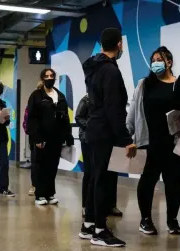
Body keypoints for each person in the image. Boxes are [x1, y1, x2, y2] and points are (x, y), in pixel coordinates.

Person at [78, 28, 135, 247]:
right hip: (105, 132)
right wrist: (126, 139)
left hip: (94, 130)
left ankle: (89, 224)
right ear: (119, 45)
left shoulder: (94, 67)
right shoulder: (110, 71)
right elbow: (114, 108)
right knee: (103, 181)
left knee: (95, 178)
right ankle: (100, 231)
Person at [126, 46, 180, 236]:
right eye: (153, 60)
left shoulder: (178, 84)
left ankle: (172, 220)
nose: (155, 63)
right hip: (148, 142)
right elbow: (133, 110)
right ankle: (145, 219)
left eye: (159, 59)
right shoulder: (144, 84)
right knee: (147, 181)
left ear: (169, 62)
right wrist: (126, 134)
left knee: (172, 183)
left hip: (173, 142)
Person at [27, 69, 74, 205]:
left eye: (52, 76)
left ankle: (50, 193)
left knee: (53, 166)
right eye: (46, 76)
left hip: (56, 137)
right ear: (42, 78)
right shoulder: (36, 95)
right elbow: (32, 118)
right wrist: (36, 138)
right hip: (42, 137)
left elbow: (65, 117)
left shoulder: (60, 96)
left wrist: (68, 135)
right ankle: (40, 194)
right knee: (41, 166)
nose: (49, 78)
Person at [75, 94, 123, 218]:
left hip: (110, 140)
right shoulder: (86, 99)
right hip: (89, 140)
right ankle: (86, 206)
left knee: (112, 173)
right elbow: (79, 117)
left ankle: (111, 204)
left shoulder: (113, 100)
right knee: (90, 172)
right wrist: (93, 127)